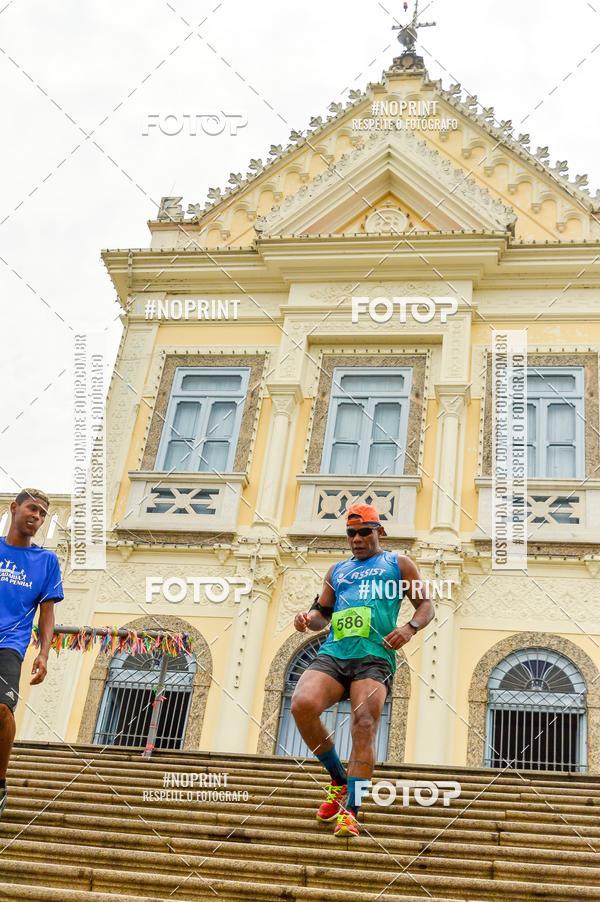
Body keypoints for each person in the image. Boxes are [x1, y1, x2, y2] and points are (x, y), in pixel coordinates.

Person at [291, 503, 434, 838]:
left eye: (364, 532)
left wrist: (410, 628)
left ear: (378, 532)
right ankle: (338, 779)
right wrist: (306, 620)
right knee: (301, 704)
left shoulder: (398, 564)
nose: (357, 539)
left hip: (374, 656)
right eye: (351, 534)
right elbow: (321, 613)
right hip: (335, 651)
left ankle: (351, 810)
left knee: (364, 723)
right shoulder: (337, 570)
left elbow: (426, 605)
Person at [0, 489, 64, 817]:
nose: (37, 517)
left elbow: (47, 613)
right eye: (32, 509)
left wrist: (44, 653)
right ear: (14, 508)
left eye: (41, 513)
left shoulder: (46, 562)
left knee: (3, 709)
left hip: (10, 645)